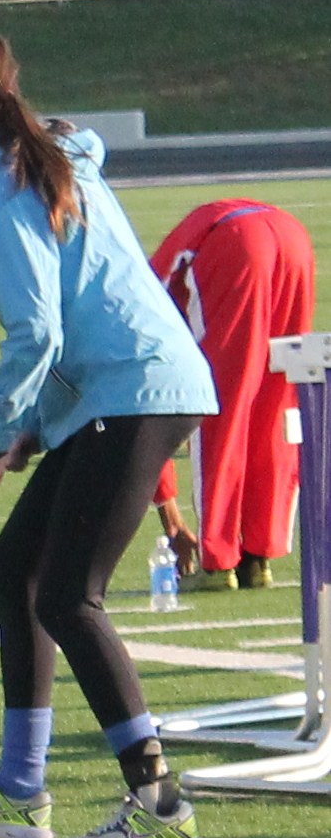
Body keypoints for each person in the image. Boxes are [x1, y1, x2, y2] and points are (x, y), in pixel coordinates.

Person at [0, 22, 216, 838]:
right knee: (15, 570)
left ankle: (159, 802)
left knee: (69, 597)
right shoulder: (34, 157)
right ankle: (18, 790)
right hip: (128, 386)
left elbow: (38, 330)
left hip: (134, 389)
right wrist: (31, 430)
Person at [150, 198, 316, 590]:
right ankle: (259, 555)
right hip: (293, 237)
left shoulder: (128, 317)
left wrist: (169, 515)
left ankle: (219, 560)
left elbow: (145, 408)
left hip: (234, 243)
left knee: (222, 406)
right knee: (277, 399)